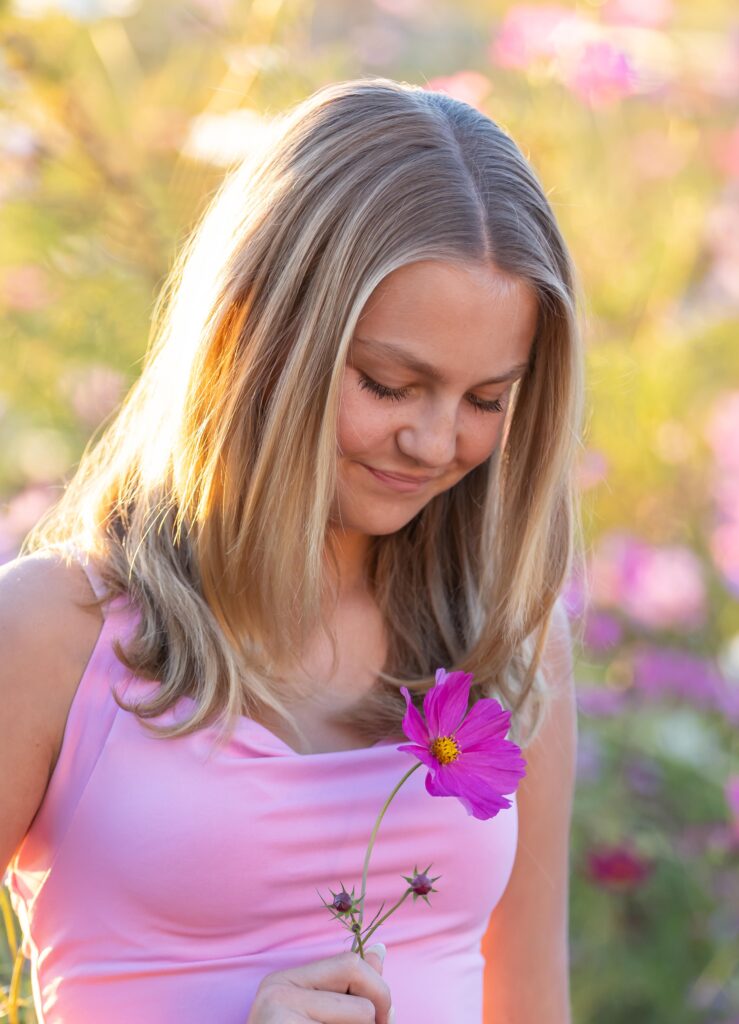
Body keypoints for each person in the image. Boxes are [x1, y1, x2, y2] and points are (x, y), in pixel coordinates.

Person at [0, 77, 583, 1023]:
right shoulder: (50, 635)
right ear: (255, 334)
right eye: (391, 385)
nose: (437, 444)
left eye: (486, 400)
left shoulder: (508, 649)